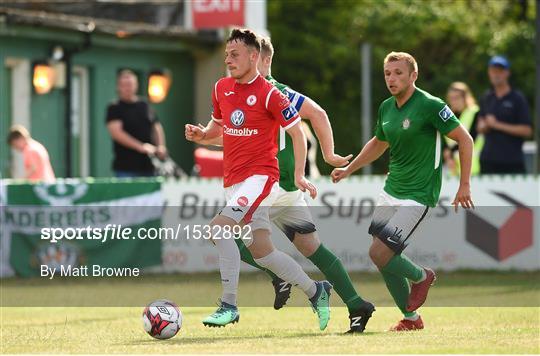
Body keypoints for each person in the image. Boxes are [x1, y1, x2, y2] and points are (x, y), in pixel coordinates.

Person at [191, 35, 376, 333]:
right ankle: (349, 301)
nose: (229, 61)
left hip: (270, 185)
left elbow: (310, 119)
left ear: (261, 58)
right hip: (284, 189)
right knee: (299, 249)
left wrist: (321, 159)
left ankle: (238, 299)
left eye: (237, 55)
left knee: (225, 234)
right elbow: (237, 133)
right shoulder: (244, 92)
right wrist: (326, 155)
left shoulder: (275, 92)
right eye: (228, 55)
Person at [331, 52, 474, 331]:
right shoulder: (386, 107)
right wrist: (350, 169)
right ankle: (411, 319)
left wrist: (464, 184)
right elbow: (378, 143)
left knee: (379, 253)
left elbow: (465, 139)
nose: (392, 78)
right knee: (383, 257)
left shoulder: (431, 105)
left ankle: (421, 276)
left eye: (398, 73)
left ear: (413, 75)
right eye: (387, 73)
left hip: (418, 195)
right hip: (391, 190)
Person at [106, 69, 168, 177]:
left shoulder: (144, 105)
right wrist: (141, 146)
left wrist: (161, 146)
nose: (127, 88)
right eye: (124, 85)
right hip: (126, 167)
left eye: (130, 84)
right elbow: (116, 133)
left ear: (136, 85)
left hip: (150, 166)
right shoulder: (114, 107)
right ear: (118, 87)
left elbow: (156, 126)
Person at [476, 55, 532, 174]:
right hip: (488, 160)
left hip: (512, 161)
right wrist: (483, 126)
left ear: (507, 73)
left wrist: (497, 125)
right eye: (493, 71)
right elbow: (480, 126)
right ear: (489, 73)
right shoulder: (486, 97)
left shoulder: (517, 98)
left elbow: (527, 130)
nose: (496, 74)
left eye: (500, 71)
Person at [443, 82, 483, 176]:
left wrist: (450, 153)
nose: (454, 101)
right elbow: (445, 142)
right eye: (451, 98)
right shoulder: (447, 117)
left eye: (457, 98)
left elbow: (470, 138)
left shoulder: (475, 113)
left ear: (465, 97)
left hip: (474, 167)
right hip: (454, 170)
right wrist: (448, 157)